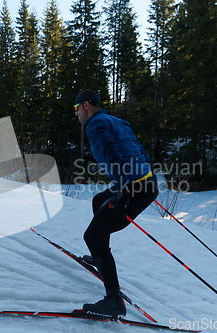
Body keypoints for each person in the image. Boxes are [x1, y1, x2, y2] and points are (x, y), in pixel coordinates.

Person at [74, 89, 158, 317]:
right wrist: (149, 178)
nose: (77, 113)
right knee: (99, 200)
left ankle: (114, 300)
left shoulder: (94, 125)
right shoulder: (116, 121)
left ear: (87, 105)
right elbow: (137, 148)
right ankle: (101, 255)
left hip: (133, 187)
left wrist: (123, 192)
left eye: (77, 108)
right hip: (143, 182)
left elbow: (112, 154)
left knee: (91, 236)